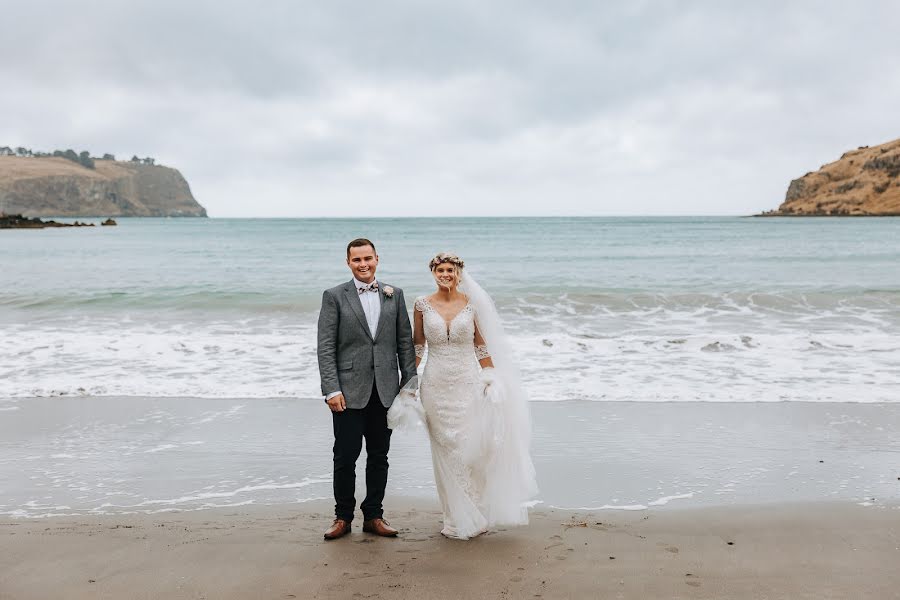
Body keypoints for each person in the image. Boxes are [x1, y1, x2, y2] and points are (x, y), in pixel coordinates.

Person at [409, 252, 538, 539]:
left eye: (450, 270)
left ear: (459, 273)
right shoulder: (421, 304)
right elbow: (418, 346)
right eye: (440, 269)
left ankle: (475, 512)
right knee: (444, 449)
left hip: (467, 384)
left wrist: (491, 378)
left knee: (469, 448)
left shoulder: (471, 304)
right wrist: (408, 382)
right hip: (435, 385)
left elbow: (481, 346)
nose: (445, 274)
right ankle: (454, 517)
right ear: (433, 272)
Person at [316, 238, 416, 540]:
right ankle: (342, 517)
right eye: (357, 260)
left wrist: (408, 386)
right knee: (344, 456)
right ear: (348, 262)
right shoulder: (334, 296)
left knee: (379, 456)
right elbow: (326, 346)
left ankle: (374, 515)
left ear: (377, 259)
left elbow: (404, 343)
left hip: (385, 391)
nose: (363, 264)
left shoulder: (393, 295)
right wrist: (331, 389)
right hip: (347, 392)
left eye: (368, 259)